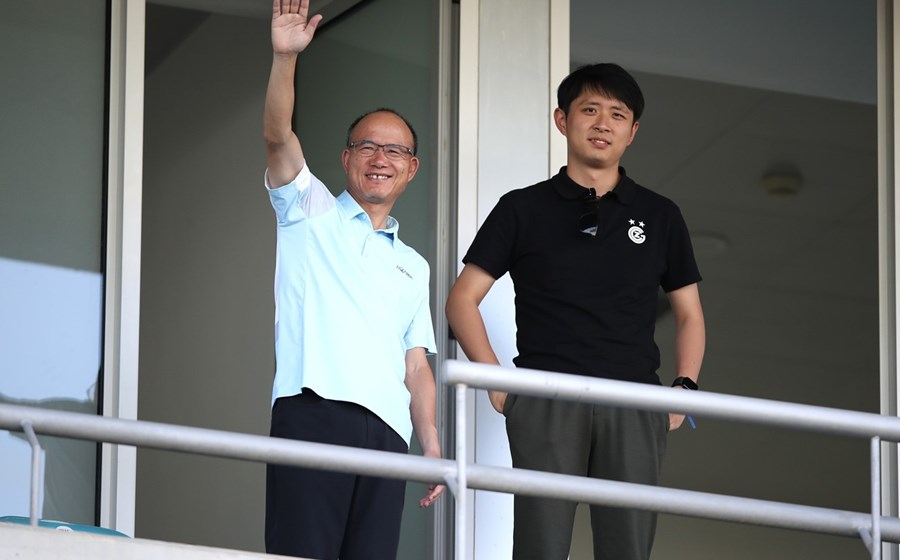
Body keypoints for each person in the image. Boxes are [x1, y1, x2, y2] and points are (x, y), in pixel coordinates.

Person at [445, 63, 706, 560]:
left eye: (617, 114)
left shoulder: (661, 214)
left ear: (633, 132)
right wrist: (500, 387)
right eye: (590, 110)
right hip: (546, 395)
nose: (603, 123)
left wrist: (684, 392)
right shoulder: (523, 208)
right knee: (540, 547)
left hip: (634, 400)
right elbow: (462, 299)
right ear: (562, 120)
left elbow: (690, 313)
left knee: (628, 548)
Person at [262, 1, 444, 558]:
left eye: (394, 149)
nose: (379, 157)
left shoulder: (414, 264)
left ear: (412, 168)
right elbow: (277, 136)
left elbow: (417, 364)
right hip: (314, 410)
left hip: (388, 434)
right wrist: (284, 59)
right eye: (366, 145)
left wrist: (431, 444)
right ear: (346, 159)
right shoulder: (308, 210)